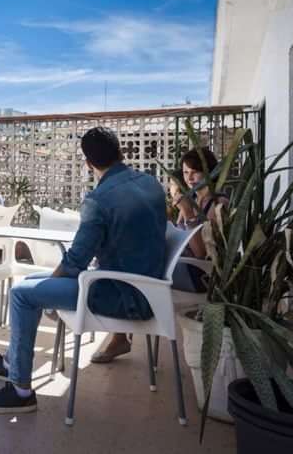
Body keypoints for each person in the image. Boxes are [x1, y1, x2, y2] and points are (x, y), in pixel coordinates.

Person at [0, 127, 166, 414]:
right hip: (150, 291)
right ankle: (13, 362)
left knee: (21, 294)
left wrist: (50, 291)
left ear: (88, 163)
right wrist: (50, 286)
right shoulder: (151, 184)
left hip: (120, 295)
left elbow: (76, 261)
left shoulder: (99, 200)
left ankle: (20, 391)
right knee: (31, 281)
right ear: (121, 152)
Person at [91, 147, 225, 363]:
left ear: (210, 172)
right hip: (180, 265)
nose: (189, 178)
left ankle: (119, 335)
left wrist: (188, 213)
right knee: (129, 261)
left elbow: (202, 254)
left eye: (196, 172)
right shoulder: (192, 200)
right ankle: (121, 333)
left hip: (199, 274)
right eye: (185, 172)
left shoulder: (217, 205)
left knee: (127, 268)